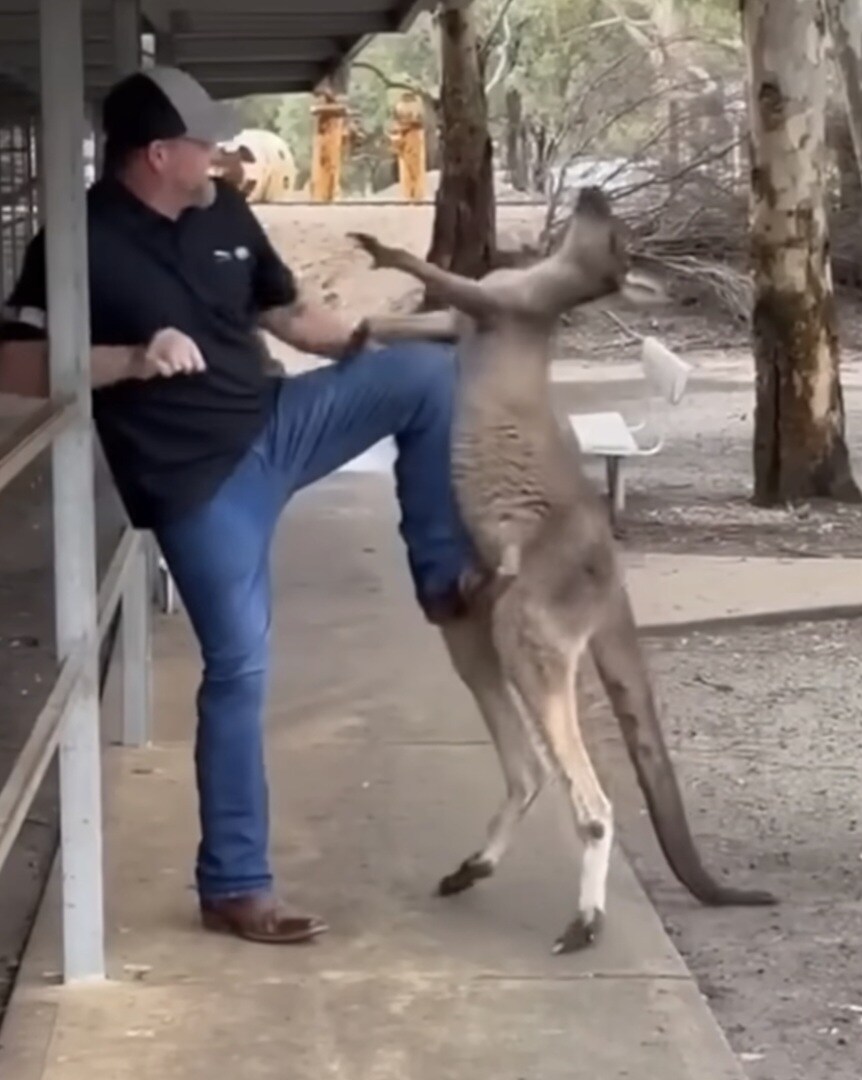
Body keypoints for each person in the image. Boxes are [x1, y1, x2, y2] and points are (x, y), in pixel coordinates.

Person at [0, 65, 474, 945]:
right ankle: (235, 885)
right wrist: (133, 357)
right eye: (204, 141)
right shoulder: (79, 241)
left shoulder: (223, 211)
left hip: (278, 421)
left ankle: (443, 575)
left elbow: (288, 314)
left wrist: (385, 336)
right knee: (242, 670)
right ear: (156, 154)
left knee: (429, 376)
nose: (221, 152)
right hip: (196, 484)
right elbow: (14, 367)